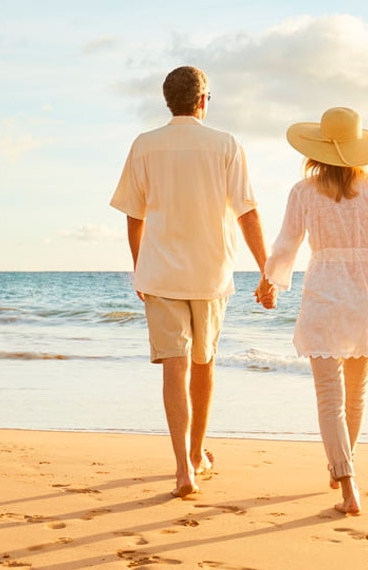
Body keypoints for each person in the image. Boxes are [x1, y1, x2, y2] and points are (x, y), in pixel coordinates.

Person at [110, 66, 276, 498]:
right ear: (203, 100)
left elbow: (134, 215)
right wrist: (266, 270)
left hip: (161, 272)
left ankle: (183, 467)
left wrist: (139, 265)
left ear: (170, 101)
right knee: (203, 364)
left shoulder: (144, 145)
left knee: (174, 366)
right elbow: (247, 212)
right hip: (211, 273)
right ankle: (198, 453)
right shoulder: (226, 144)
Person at [264, 107, 368, 515]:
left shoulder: (303, 191)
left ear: (315, 150)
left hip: (324, 294)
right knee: (356, 397)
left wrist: (270, 281)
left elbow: (286, 244)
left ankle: (346, 483)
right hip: (366, 297)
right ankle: (343, 466)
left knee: (329, 398)